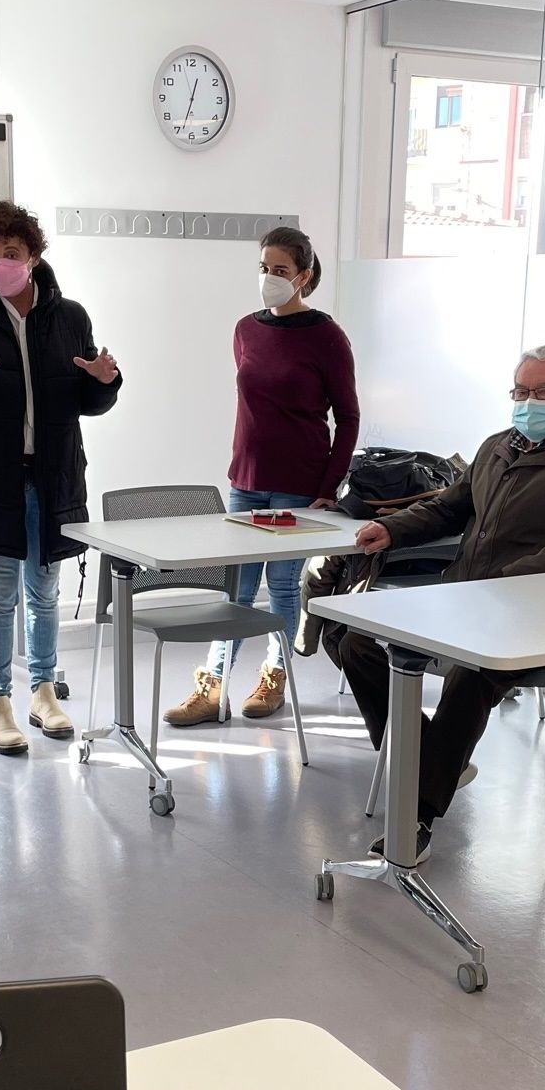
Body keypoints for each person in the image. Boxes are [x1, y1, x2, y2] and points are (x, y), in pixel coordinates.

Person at [330, 345, 545, 860]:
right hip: (469, 598)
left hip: (540, 616)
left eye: (544, 391)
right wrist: (390, 528)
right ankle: (437, 763)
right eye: (521, 391)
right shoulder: (498, 446)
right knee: (358, 642)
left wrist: (517, 575)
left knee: (470, 677)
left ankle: (419, 816)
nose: (529, 401)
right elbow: (450, 508)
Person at [0, 200, 122, 756]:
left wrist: (105, 381)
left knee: (44, 593)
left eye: (11, 253)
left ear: (33, 257)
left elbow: (88, 399)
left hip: (54, 476)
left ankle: (43, 691)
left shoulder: (70, 317)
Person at [165, 226, 359, 729]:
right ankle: (213, 687)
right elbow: (254, 401)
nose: (269, 278)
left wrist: (327, 488)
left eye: (280, 270)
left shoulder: (327, 336)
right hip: (245, 480)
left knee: (283, 585)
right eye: (263, 268)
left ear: (304, 277)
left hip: (299, 484)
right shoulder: (246, 329)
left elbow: (349, 417)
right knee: (236, 589)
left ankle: (275, 676)